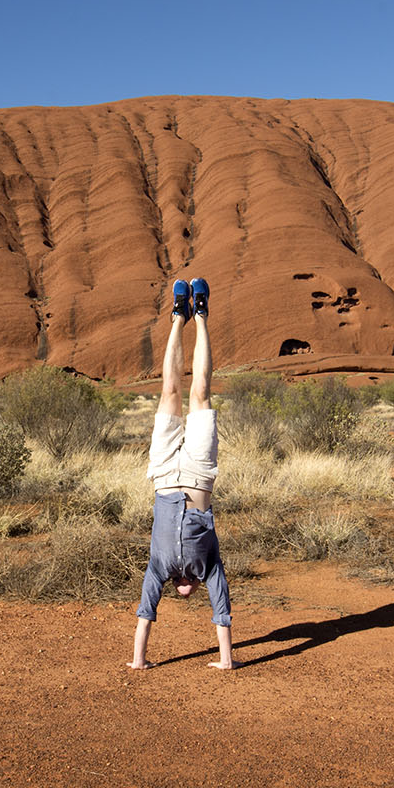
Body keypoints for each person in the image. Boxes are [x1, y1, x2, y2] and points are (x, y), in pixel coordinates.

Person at [127, 276, 234, 670]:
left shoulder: (159, 568)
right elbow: (221, 608)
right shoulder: (209, 567)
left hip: (162, 472)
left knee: (170, 391)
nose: (186, 590)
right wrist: (226, 661)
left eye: (181, 590)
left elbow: (145, 611)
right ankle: (200, 315)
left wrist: (139, 660)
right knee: (200, 392)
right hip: (199, 474)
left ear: (176, 586)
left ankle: (177, 317)